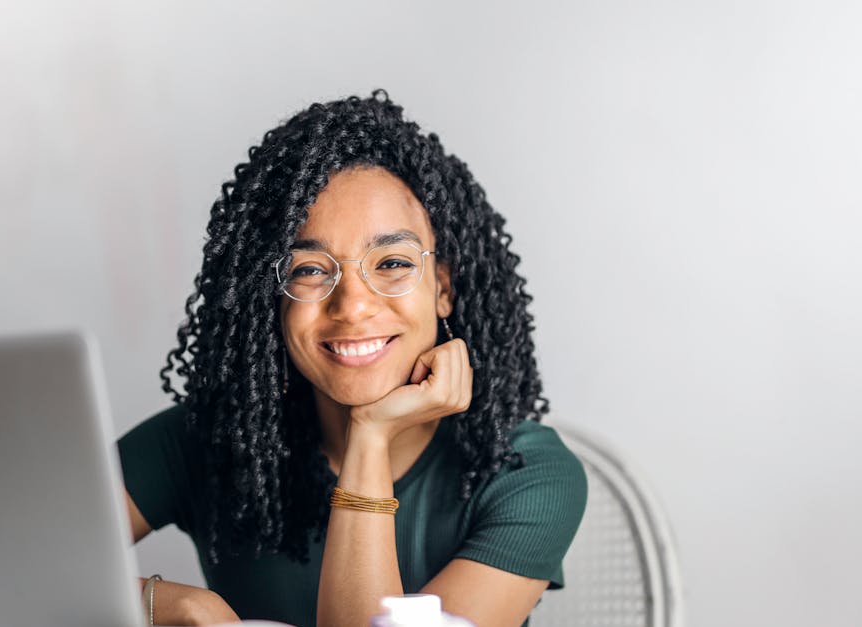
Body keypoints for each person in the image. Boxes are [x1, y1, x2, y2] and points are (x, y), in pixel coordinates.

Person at [117, 90, 587, 627]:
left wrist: (369, 436)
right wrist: (172, 605)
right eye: (309, 270)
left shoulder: (526, 473)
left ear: (443, 288)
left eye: (391, 262)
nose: (353, 305)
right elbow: (11, 561)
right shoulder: (208, 439)